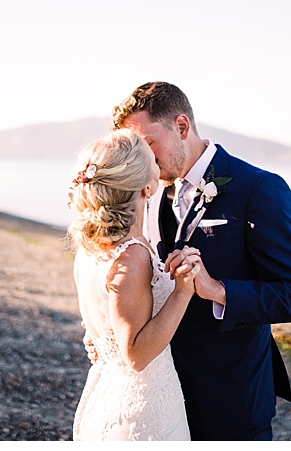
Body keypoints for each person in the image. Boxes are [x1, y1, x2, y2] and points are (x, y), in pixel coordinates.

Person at [110, 81, 291, 440]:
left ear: (182, 127)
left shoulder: (260, 189)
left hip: (231, 398)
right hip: (167, 398)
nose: (143, 157)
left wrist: (217, 289)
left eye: (148, 143)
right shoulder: (154, 191)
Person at [67, 129, 203, 440]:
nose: (157, 158)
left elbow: (101, 324)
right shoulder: (132, 255)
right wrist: (182, 292)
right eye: (150, 156)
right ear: (148, 186)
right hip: (142, 411)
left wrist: (96, 342)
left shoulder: (91, 249)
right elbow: (137, 356)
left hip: (109, 392)